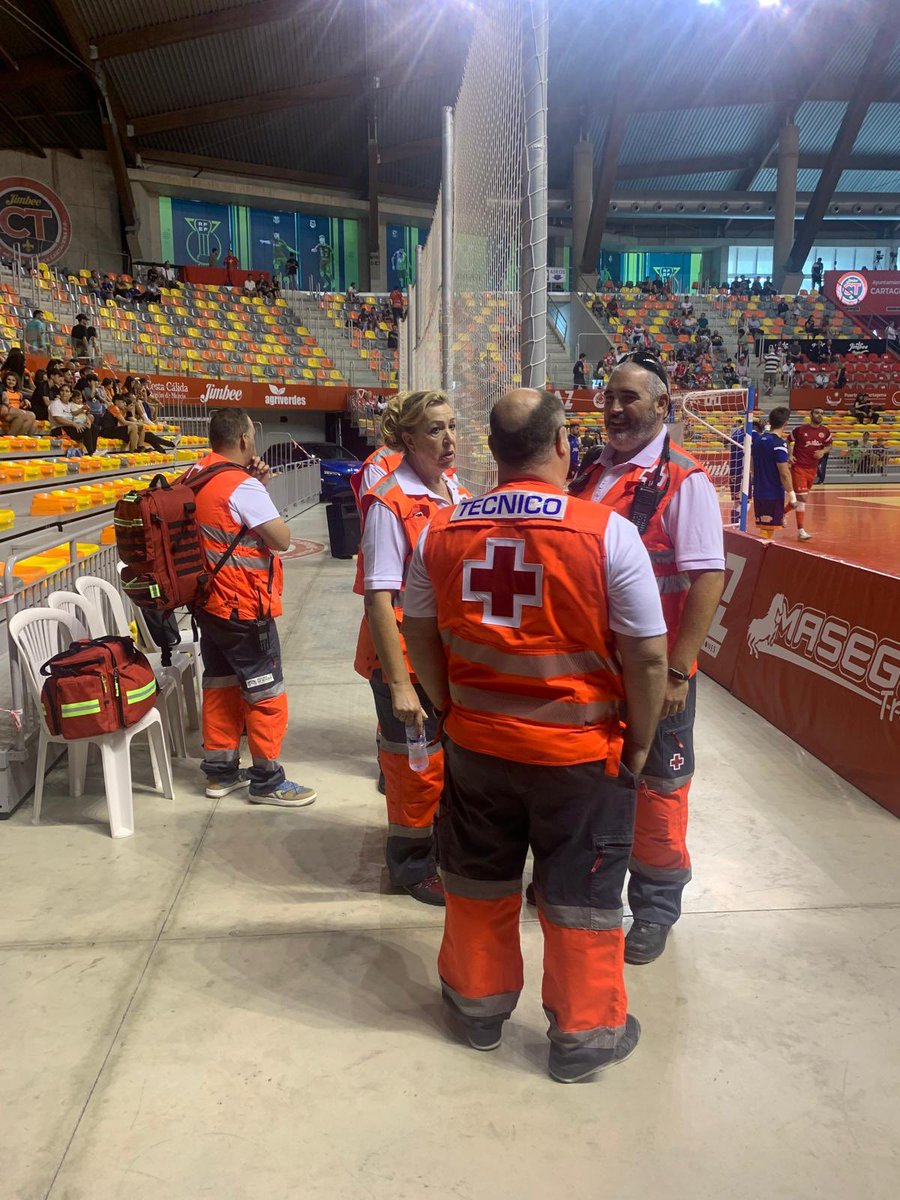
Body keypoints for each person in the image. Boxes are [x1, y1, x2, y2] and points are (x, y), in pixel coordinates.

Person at [403, 389, 668, 1081]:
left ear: (492, 451)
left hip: (478, 750)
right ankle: (583, 1039)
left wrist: (449, 711)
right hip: (579, 758)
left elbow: (419, 633)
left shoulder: (442, 529)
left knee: (479, 882)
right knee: (580, 898)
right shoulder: (607, 533)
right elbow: (646, 655)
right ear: (563, 446)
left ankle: (476, 1011)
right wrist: (638, 741)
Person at [568, 353, 725, 964]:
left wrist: (681, 670)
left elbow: (707, 576)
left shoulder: (684, 480)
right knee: (597, 779)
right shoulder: (591, 473)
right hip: (595, 668)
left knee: (659, 792)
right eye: (609, 396)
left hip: (657, 674)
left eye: (629, 397)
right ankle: (596, 884)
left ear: (664, 405)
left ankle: (655, 909)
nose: (613, 408)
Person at [354, 391, 467, 905]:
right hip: (404, 660)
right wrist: (399, 683)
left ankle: (435, 849)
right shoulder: (388, 503)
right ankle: (410, 865)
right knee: (412, 767)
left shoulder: (453, 491)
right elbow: (379, 598)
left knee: (442, 764)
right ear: (406, 439)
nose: (448, 441)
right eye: (434, 431)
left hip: (441, 655)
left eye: (451, 427)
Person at [189, 408, 316, 806]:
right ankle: (267, 779)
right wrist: (258, 487)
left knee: (220, 683)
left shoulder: (195, 474)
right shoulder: (242, 487)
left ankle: (220, 772)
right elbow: (280, 538)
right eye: (252, 438)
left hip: (208, 604)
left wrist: (253, 483)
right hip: (243, 605)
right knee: (266, 691)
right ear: (244, 440)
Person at [787, 407, 832, 541]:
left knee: (801, 498)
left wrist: (823, 451)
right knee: (803, 498)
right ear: (811, 414)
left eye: (822, 413)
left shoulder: (825, 432)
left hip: (812, 469)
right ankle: (801, 530)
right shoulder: (800, 430)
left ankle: (782, 514)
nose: (820, 415)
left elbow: (829, 445)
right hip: (799, 467)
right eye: (817, 413)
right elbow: (787, 441)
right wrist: (789, 455)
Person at [750, 406, 795, 540]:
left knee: (765, 527)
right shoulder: (779, 443)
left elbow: (752, 466)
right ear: (785, 424)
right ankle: (761, 558)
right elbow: (784, 473)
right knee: (767, 531)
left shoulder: (757, 440)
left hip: (759, 491)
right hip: (773, 492)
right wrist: (792, 495)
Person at [49, 382, 98, 454]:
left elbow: (78, 415)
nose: (64, 393)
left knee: (93, 427)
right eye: (62, 391)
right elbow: (58, 419)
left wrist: (87, 420)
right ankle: (90, 453)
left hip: (70, 427)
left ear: (71, 394)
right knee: (86, 430)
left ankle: (93, 450)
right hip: (59, 429)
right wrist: (74, 424)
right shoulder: (56, 403)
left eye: (67, 391)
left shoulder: (70, 405)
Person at [0, 371, 37, 436]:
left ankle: (20, 438)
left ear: (16, 382)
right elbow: (5, 404)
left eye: (13, 380)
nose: (11, 381)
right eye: (8, 379)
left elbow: (18, 406)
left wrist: (24, 402)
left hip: (17, 412)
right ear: (5, 380)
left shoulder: (19, 394)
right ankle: (11, 436)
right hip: (7, 413)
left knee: (34, 422)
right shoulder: (4, 391)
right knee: (22, 416)